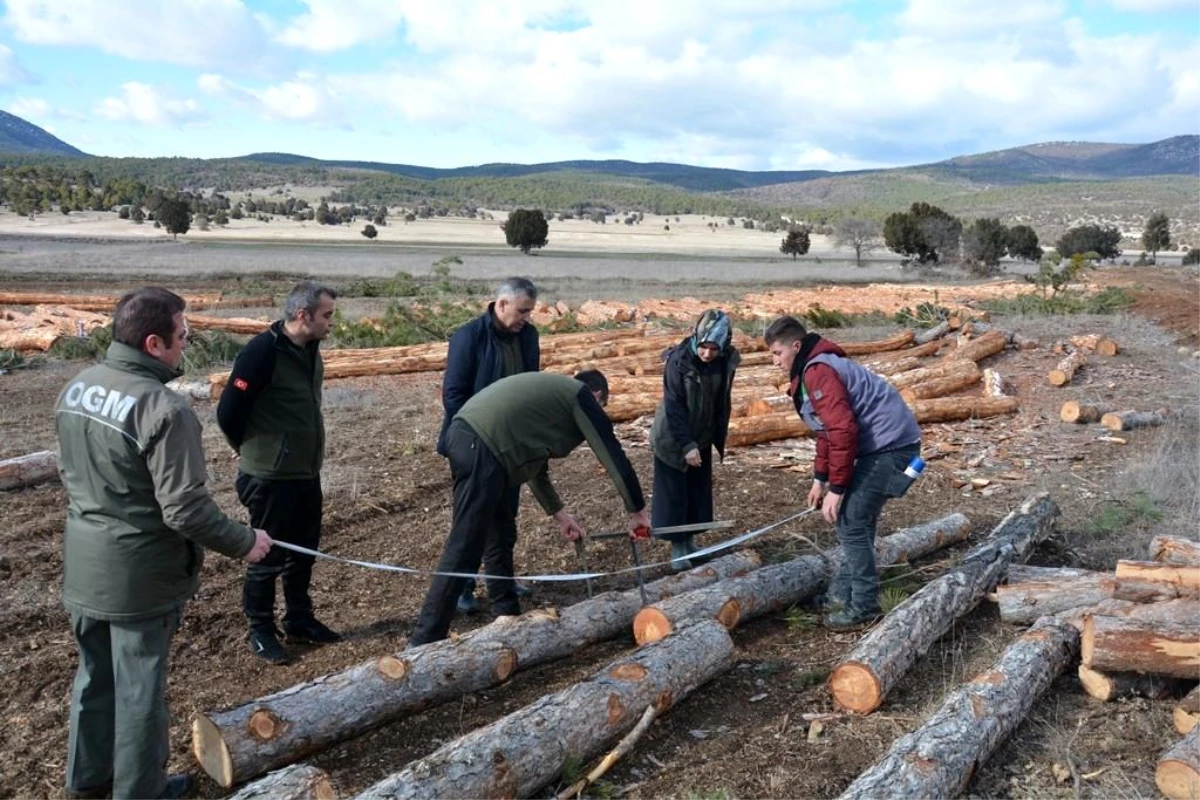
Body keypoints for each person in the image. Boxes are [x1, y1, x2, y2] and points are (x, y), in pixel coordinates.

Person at [55, 287, 272, 800]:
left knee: (94, 679)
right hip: (137, 575)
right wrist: (245, 542)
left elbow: (71, 472)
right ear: (154, 343)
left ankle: (87, 779)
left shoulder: (78, 387)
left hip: (84, 564)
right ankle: (141, 791)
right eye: (183, 335)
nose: (187, 344)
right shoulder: (163, 409)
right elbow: (185, 509)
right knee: (138, 695)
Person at [409, 369, 650, 646]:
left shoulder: (550, 401)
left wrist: (560, 516)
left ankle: (506, 616)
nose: (600, 412)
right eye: (602, 407)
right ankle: (422, 640)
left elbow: (536, 468)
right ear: (597, 395)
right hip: (482, 445)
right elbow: (611, 453)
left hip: (477, 442)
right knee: (465, 544)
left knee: (499, 532)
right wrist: (637, 511)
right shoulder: (579, 396)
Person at [765, 315, 921, 630]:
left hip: (891, 448)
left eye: (777, 353)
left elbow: (842, 430)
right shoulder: (812, 369)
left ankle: (863, 604)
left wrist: (836, 489)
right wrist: (819, 478)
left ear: (796, 346)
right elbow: (825, 430)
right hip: (884, 447)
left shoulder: (819, 371)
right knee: (856, 524)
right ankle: (841, 595)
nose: (774, 361)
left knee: (850, 524)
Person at [217, 281, 339, 665]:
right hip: (270, 477)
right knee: (266, 557)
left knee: (303, 552)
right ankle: (261, 630)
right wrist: (250, 451)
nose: (331, 323)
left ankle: (299, 621)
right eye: (327, 315)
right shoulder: (261, 353)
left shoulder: (310, 349)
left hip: (304, 472)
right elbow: (228, 412)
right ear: (303, 315)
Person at [436, 276, 540, 614]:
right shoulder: (469, 337)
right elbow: (453, 394)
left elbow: (529, 386)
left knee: (505, 519)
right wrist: (474, 437)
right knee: (471, 521)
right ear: (502, 304)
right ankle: (462, 588)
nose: (526, 317)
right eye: (523, 310)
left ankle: (501, 581)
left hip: (510, 446)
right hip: (474, 444)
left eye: (530, 312)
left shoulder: (528, 336)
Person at [649, 309, 740, 571]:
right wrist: (686, 444)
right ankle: (678, 551)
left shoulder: (724, 361)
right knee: (675, 495)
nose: (707, 354)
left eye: (714, 348)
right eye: (704, 347)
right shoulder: (679, 362)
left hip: (701, 434)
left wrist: (710, 437)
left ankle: (690, 544)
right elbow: (674, 407)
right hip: (673, 438)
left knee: (697, 493)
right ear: (695, 337)